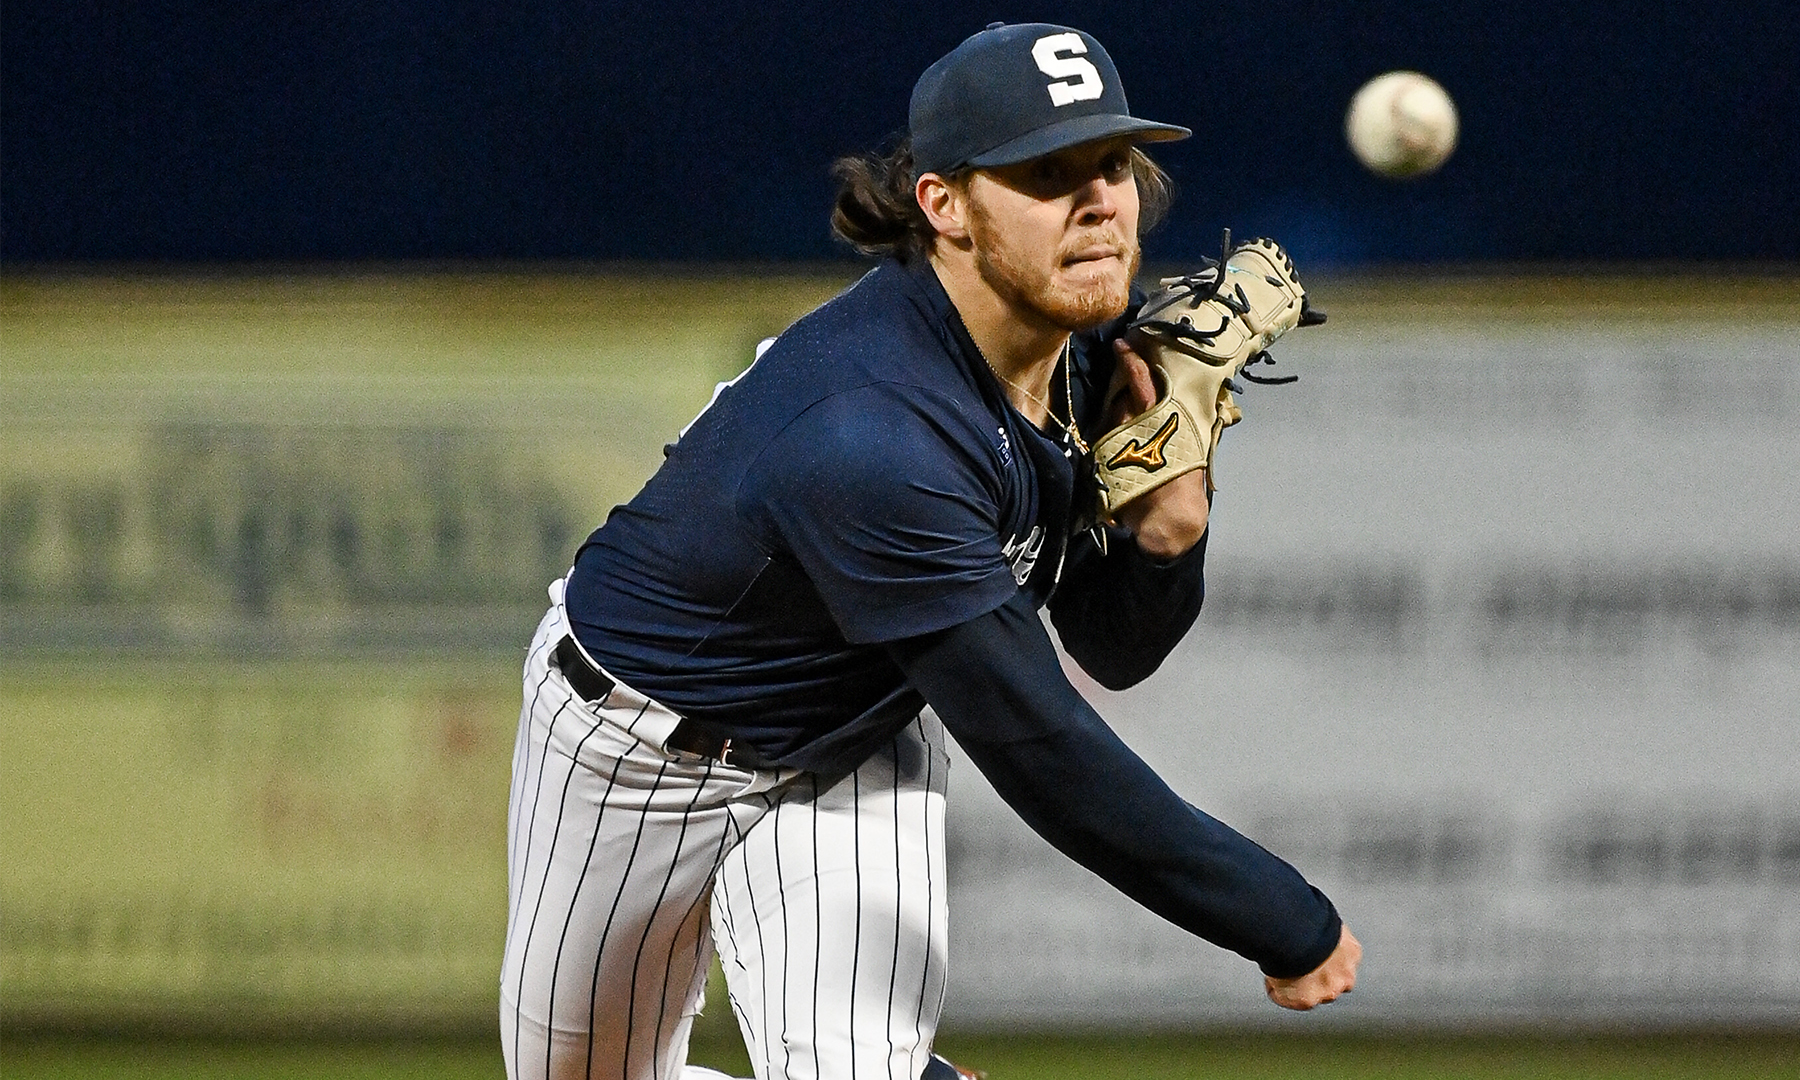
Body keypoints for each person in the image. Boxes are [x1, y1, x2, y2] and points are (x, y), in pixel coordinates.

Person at [499, 21, 1361, 1080]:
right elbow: (1046, 751)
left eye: (1112, 165)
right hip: (634, 747)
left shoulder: (1086, 353)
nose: (1099, 200)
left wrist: (1170, 534)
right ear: (943, 205)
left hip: (855, 733)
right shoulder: (874, 437)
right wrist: (1284, 916)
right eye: (1048, 173)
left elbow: (1112, 642)